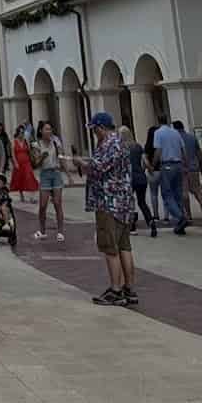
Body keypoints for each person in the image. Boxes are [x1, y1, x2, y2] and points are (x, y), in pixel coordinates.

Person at [81, 114, 139, 307]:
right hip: (123, 202)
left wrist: (80, 163)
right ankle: (129, 288)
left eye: (94, 129)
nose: (94, 133)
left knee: (110, 247)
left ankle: (116, 289)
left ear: (100, 128)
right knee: (124, 247)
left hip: (108, 201)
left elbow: (99, 168)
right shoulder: (120, 143)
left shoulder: (109, 144)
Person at [151, 119, 190, 235]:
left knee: (167, 194)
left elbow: (158, 150)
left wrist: (153, 164)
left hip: (167, 165)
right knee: (177, 193)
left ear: (158, 122)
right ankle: (179, 223)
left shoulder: (158, 133)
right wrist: (186, 164)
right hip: (178, 165)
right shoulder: (176, 132)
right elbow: (183, 150)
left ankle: (180, 216)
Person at [30, 122, 65, 242]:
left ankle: (60, 232)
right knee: (43, 205)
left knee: (57, 203)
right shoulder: (36, 144)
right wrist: (41, 157)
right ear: (41, 131)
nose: (49, 131)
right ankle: (42, 230)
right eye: (46, 129)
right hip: (44, 174)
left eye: (50, 129)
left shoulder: (56, 141)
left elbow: (61, 158)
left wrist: (69, 175)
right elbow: (35, 163)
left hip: (55, 173)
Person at [178, 121, 202, 222]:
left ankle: (188, 214)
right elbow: (198, 152)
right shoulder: (192, 137)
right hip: (194, 167)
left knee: (184, 192)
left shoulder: (176, 138)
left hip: (183, 168)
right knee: (197, 190)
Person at [124, 126, 153, 237]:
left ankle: (132, 227)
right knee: (142, 202)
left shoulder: (122, 148)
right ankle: (150, 221)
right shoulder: (137, 146)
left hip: (129, 179)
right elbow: (144, 161)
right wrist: (148, 169)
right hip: (141, 178)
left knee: (129, 203)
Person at [8, 126, 38, 204]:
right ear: (17, 133)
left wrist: (33, 155)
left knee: (30, 177)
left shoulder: (25, 141)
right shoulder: (14, 141)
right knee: (20, 179)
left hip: (26, 162)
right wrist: (15, 163)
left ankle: (32, 197)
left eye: (23, 132)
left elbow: (29, 151)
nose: (22, 134)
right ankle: (21, 195)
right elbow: (13, 154)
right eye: (20, 133)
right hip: (18, 162)